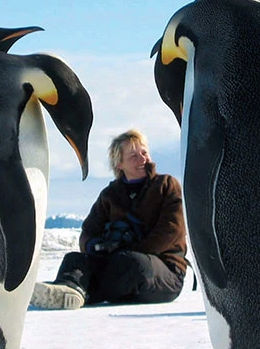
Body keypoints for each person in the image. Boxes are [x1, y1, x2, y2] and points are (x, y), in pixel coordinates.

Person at [31, 129, 187, 310]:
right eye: (133, 156)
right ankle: (69, 287)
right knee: (74, 259)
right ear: (119, 164)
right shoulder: (109, 195)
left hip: (164, 272)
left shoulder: (166, 185)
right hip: (119, 267)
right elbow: (89, 231)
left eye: (144, 153)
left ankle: (79, 291)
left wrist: (129, 246)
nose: (142, 159)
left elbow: (171, 231)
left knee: (131, 262)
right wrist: (98, 246)